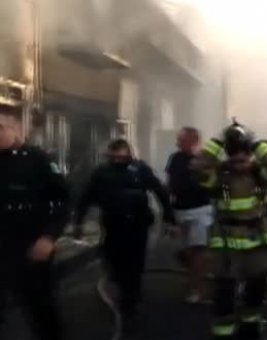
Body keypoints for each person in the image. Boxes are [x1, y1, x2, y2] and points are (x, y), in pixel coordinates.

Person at [192, 120, 267, 339]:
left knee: (256, 291)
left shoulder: (261, 176)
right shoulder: (218, 177)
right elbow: (198, 167)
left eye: (244, 153)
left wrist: (256, 142)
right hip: (226, 247)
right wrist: (218, 141)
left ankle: (250, 329)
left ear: (250, 154)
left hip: (257, 243)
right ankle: (223, 333)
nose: (239, 159)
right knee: (224, 295)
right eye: (234, 153)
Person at [74, 139, 175, 331]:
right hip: (113, 226)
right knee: (114, 262)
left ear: (128, 153)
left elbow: (159, 191)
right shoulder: (101, 173)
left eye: (122, 154)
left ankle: (130, 304)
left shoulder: (140, 170)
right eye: (116, 155)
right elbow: (85, 198)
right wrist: (78, 222)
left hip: (137, 226)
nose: (119, 158)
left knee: (134, 267)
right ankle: (123, 287)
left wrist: (169, 217)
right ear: (110, 155)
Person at [0, 109, 69, 340]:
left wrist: (49, 236)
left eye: (0, 128)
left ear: (16, 128)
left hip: (31, 244)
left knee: (41, 308)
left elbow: (62, 201)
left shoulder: (37, 159)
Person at [165, 127, 213, 304]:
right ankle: (193, 275)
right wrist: (168, 213)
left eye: (181, 140)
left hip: (200, 210)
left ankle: (197, 288)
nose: (178, 143)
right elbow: (170, 185)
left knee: (197, 250)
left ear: (193, 141)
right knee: (188, 251)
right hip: (181, 210)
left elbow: (216, 183)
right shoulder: (175, 159)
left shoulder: (206, 159)